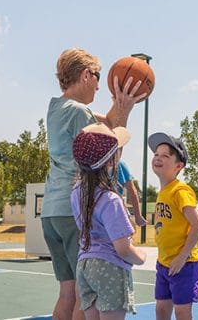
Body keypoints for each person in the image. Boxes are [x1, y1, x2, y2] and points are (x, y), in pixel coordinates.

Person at [43, 48, 145, 320]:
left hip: (52, 212)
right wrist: (125, 107)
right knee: (83, 296)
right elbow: (108, 146)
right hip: (73, 210)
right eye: (98, 78)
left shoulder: (57, 107)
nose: (100, 86)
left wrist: (121, 103)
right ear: (86, 75)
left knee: (68, 292)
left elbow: (106, 122)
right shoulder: (79, 113)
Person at [71, 124, 147, 320]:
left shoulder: (76, 193)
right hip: (109, 267)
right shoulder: (110, 200)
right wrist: (140, 256)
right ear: (113, 160)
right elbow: (123, 248)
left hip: (84, 265)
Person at [147, 132, 198, 320]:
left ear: (178, 166)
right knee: (161, 310)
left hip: (184, 264)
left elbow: (197, 226)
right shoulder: (162, 192)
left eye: (165, 155)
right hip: (164, 263)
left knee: (182, 312)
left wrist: (181, 257)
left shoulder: (180, 191)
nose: (158, 157)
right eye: (156, 154)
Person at [116, 159, 148, 228]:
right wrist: (138, 215)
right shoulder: (119, 163)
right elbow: (132, 190)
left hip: (116, 210)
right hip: (115, 210)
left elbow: (132, 190)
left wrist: (138, 215)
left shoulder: (119, 164)